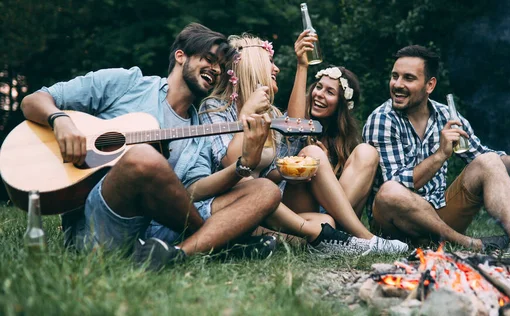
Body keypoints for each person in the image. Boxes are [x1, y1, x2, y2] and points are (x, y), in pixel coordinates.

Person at [20, 23, 281, 270]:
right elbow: (35, 100)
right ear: (181, 56)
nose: (216, 70)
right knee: (143, 155)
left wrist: (242, 164)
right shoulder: (127, 83)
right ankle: (221, 244)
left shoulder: (199, 129)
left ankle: (178, 253)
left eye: (222, 67)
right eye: (209, 59)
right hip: (102, 223)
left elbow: (193, 191)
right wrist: (60, 120)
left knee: (265, 190)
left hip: (161, 229)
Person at [199, 34, 408, 256]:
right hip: (239, 204)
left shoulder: (271, 113)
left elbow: (278, 159)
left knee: (325, 220)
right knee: (312, 164)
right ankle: (365, 241)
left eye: (330, 92)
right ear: (254, 68)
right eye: (270, 62)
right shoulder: (215, 109)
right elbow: (236, 165)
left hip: (273, 202)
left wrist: (288, 172)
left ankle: (316, 239)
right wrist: (247, 115)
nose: (277, 68)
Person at [363, 45, 510, 260]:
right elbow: (398, 186)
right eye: (395, 76)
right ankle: (472, 244)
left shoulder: (446, 115)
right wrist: (440, 155)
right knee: (389, 192)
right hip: (396, 226)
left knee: (487, 161)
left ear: (429, 85)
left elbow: (483, 154)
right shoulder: (382, 119)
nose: (397, 84)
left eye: (408, 78)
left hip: (440, 217)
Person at [287, 30, 380, 219]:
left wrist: (327, 168)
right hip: (298, 207)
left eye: (330, 92)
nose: (319, 94)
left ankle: (336, 233)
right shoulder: (296, 116)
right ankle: (335, 233)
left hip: (331, 212)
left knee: (367, 151)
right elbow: (294, 127)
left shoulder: (344, 140)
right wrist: (301, 65)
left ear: (341, 105)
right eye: (319, 87)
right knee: (312, 157)